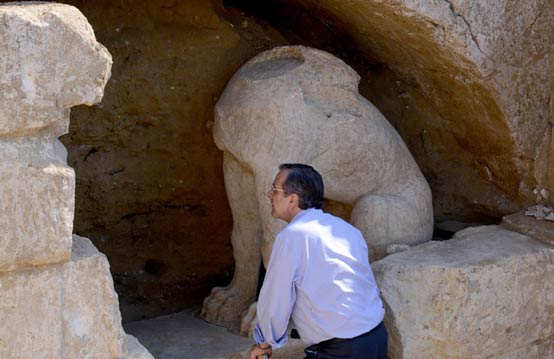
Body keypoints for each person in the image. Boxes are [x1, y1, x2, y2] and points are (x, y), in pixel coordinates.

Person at [248, 163, 388, 359]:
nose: (268, 194)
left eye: (275, 189)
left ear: (292, 200)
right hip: (376, 338)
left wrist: (264, 343)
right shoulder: (345, 229)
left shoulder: (292, 237)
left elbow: (276, 298)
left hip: (343, 349)